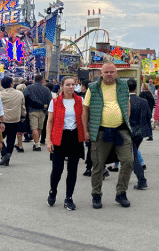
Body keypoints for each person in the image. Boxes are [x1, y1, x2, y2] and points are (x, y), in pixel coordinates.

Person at [83, 62, 134, 208]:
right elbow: (85, 110)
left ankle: (121, 193)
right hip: (100, 131)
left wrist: (126, 119)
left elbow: (127, 105)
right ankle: (96, 195)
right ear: (101, 73)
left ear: (116, 72)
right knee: (98, 165)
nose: (109, 74)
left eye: (112, 71)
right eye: (106, 72)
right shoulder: (93, 87)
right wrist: (86, 131)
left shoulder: (123, 86)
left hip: (121, 130)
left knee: (128, 161)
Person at [46, 76, 85, 210]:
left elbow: (84, 119)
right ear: (61, 86)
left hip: (74, 136)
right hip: (59, 137)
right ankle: (53, 190)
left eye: (73, 84)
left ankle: (69, 198)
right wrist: (48, 140)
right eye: (67, 85)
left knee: (73, 170)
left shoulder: (80, 100)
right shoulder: (55, 101)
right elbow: (50, 121)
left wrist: (86, 133)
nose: (70, 87)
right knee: (57, 169)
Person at [127, 79, 152, 190]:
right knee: (133, 154)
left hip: (128, 132)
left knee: (133, 156)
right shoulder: (143, 101)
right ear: (136, 88)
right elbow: (149, 116)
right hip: (140, 132)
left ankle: (141, 180)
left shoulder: (124, 101)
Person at [0, 76, 26, 166]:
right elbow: (22, 106)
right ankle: (7, 158)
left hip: (3, 120)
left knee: (0, 139)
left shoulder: (1, 94)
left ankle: (4, 153)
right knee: (11, 139)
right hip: (15, 119)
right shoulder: (19, 93)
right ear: (12, 84)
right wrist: (23, 116)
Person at [24, 73, 53, 151]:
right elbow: (50, 100)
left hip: (32, 110)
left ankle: (37, 144)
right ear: (42, 80)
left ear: (34, 80)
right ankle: (36, 143)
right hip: (43, 111)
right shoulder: (46, 89)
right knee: (40, 128)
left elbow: (25, 98)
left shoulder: (29, 88)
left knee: (34, 128)